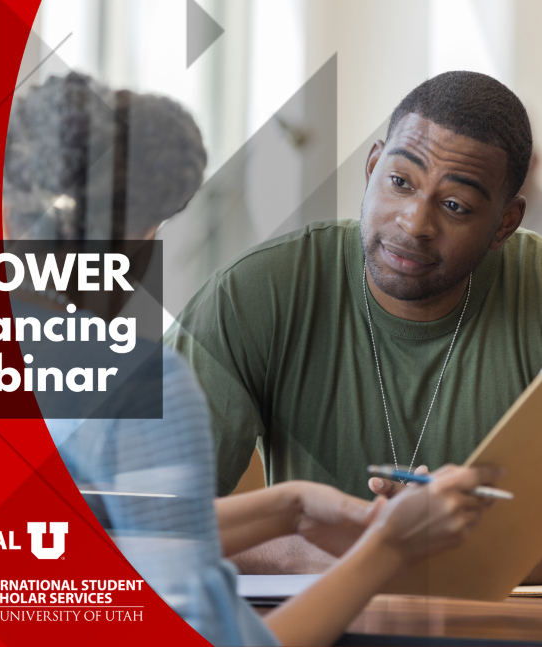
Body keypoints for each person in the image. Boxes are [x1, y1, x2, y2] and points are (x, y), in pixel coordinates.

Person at [2, 72, 501, 645]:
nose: (415, 223)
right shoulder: (136, 386)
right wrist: (388, 549)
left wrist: (287, 507)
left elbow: (92, 534)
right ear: (141, 230)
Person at [165, 71, 542, 577]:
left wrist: (484, 540)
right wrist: (297, 556)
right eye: (400, 182)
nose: (414, 223)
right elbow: (133, 516)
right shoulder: (255, 294)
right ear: (372, 166)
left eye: (455, 205)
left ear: (504, 224)